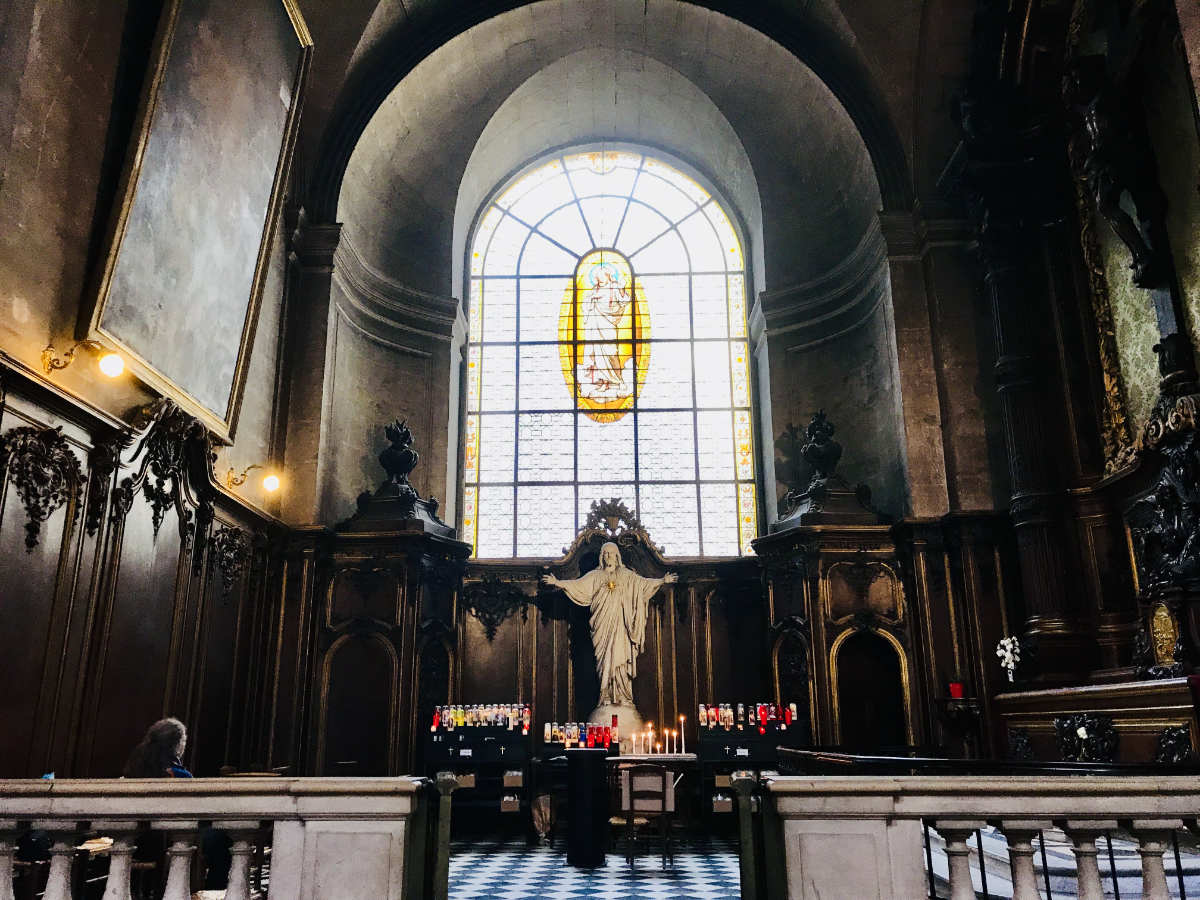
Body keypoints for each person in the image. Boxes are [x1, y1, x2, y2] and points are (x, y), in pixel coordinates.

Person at [122, 717, 232, 889]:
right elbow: (198, 810)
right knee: (221, 836)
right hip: (166, 840)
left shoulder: (133, 767)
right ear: (178, 744)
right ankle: (213, 890)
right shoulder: (177, 774)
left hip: (135, 839)